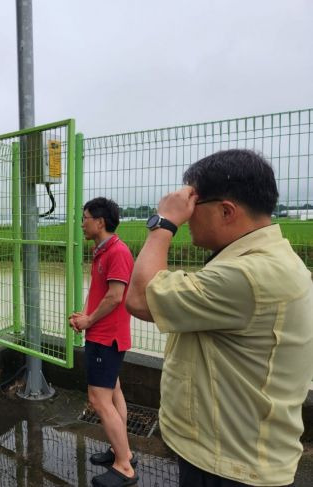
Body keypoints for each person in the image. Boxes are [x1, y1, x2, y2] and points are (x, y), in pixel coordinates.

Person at [126, 149, 313, 486]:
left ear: (227, 211)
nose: (186, 217)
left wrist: (163, 223)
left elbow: (139, 298)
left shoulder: (249, 275)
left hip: (229, 467)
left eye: (192, 207)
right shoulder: (270, 259)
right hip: (238, 452)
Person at [69, 197, 138, 487]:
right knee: (113, 393)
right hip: (101, 332)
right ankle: (122, 452)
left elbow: (114, 297)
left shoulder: (117, 252)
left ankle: (124, 467)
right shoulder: (103, 250)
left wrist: (89, 320)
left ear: (100, 221)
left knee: (99, 400)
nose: (82, 223)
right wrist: (84, 315)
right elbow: (99, 292)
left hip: (106, 336)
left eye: (85, 217)